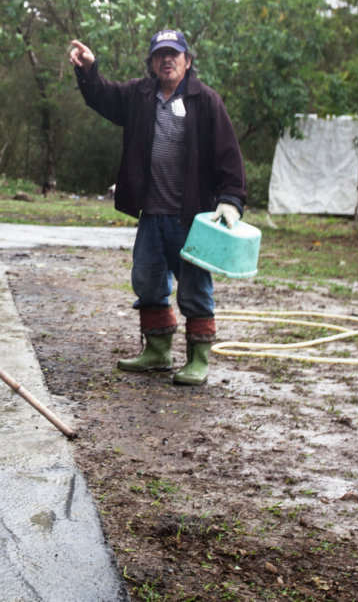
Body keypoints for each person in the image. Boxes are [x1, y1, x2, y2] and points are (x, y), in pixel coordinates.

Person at [68, 30, 246, 386]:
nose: (167, 60)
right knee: (147, 281)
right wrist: (89, 70)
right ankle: (158, 352)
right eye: (160, 55)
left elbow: (229, 155)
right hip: (151, 214)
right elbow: (103, 96)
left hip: (193, 217)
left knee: (194, 287)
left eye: (174, 54)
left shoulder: (206, 101)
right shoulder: (140, 95)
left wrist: (230, 200)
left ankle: (198, 359)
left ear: (188, 61)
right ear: (151, 63)